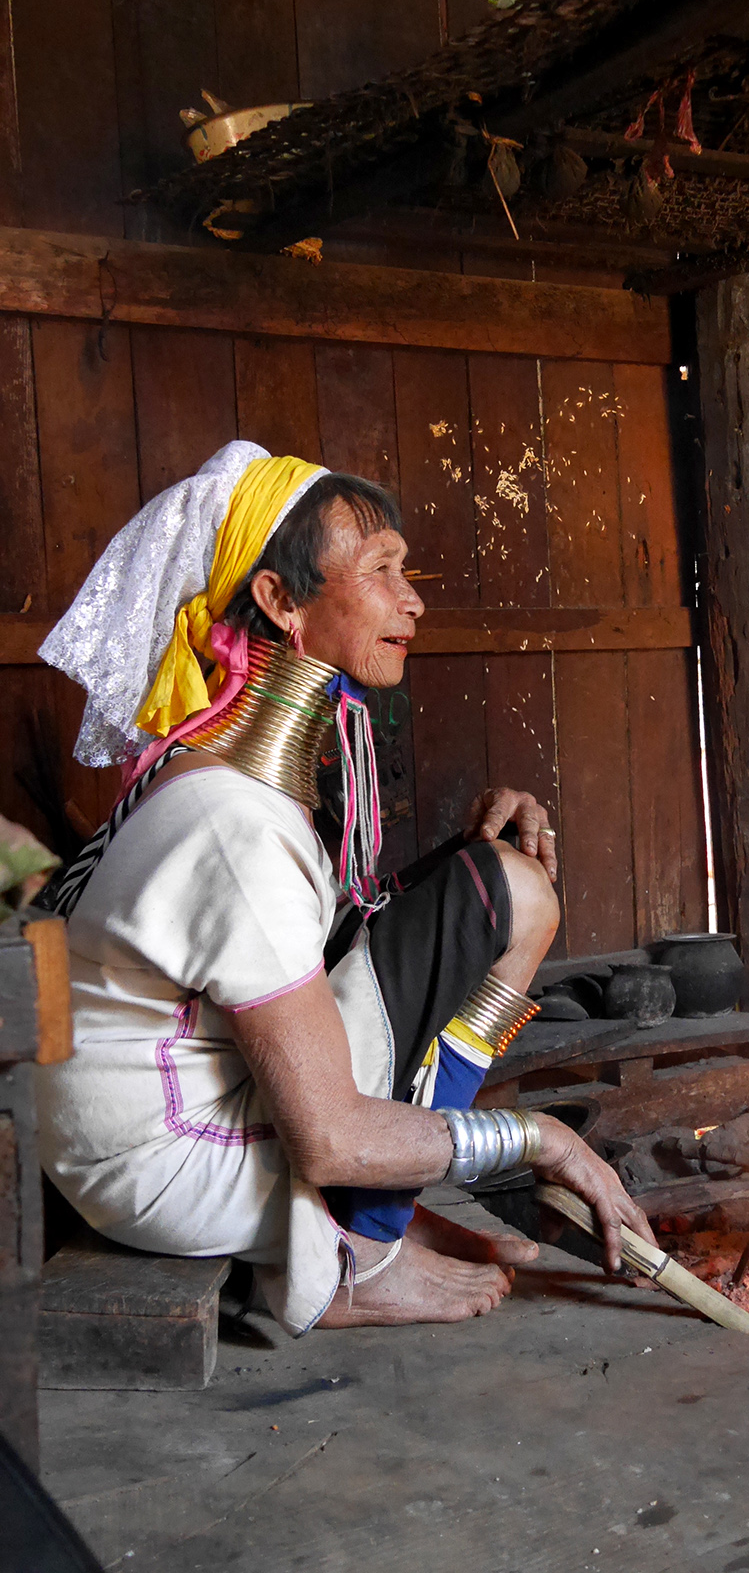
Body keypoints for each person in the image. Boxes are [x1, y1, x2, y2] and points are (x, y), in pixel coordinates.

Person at [36, 442, 653, 1334]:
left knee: (494, 883)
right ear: (282, 602)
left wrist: (459, 861)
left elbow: (311, 935)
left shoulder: (208, 772)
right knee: (510, 898)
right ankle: (361, 1258)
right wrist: (543, 1139)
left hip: (125, 1134)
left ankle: (370, 1231)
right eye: (381, 571)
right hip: (164, 1163)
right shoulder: (234, 822)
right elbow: (327, 1136)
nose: (412, 598)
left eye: (406, 570)